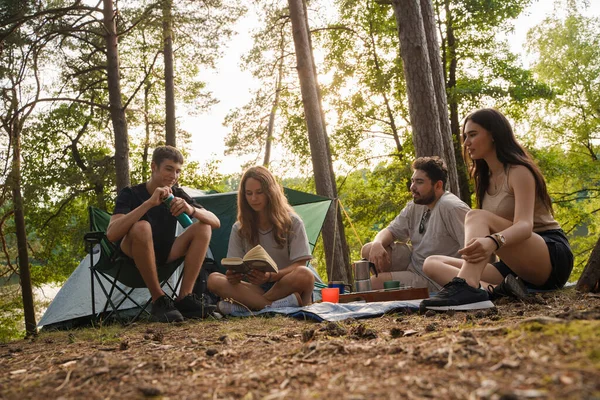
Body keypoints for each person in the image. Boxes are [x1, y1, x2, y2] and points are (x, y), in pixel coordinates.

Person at [420, 108, 573, 311]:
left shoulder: (519, 171)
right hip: (514, 266)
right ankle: (495, 291)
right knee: (431, 263)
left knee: (476, 216)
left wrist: (492, 242)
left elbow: (525, 226)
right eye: (465, 137)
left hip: (548, 255)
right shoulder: (485, 179)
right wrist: (486, 249)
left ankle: (467, 287)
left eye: (473, 135)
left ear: (493, 135)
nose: (466, 143)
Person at [106, 146, 221, 323]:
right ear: (154, 167)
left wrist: (190, 209)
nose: (173, 176)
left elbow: (215, 222)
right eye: (169, 169)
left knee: (203, 227)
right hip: (130, 258)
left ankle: (185, 298)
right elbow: (112, 234)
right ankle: (158, 299)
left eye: (177, 171)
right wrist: (149, 204)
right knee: (142, 227)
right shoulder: (130, 194)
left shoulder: (177, 194)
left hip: (165, 253)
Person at [207, 166, 315, 315]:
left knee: (305, 274)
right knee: (213, 279)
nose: (253, 199)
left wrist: (272, 276)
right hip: (255, 288)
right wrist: (233, 276)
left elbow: (300, 264)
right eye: (249, 193)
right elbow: (234, 264)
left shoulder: (292, 222)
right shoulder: (239, 228)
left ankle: (251, 306)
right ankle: (272, 306)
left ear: (270, 192)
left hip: (286, 285)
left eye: (259, 192)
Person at [361, 156, 470, 292]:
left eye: (419, 182)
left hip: (432, 277)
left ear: (438, 185)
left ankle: (397, 283)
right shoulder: (417, 204)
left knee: (373, 284)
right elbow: (391, 231)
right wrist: (377, 243)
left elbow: (475, 251)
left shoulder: (452, 207)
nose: (412, 187)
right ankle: (394, 281)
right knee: (368, 249)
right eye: (413, 181)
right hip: (414, 261)